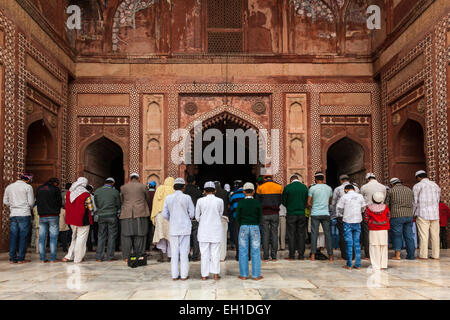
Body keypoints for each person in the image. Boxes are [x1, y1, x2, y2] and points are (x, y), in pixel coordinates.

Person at [162, 178, 195, 280]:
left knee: (174, 253)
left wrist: (172, 219)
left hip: (174, 228)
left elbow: (164, 214)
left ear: (173, 187)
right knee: (184, 253)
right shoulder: (187, 198)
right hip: (184, 228)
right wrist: (186, 218)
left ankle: (175, 276)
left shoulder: (168, 198)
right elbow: (192, 214)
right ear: (183, 187)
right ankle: (184, 275)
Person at [3, 173, 34, 264]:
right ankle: (21, 258)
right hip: (24, 213)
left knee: (13, 236)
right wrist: (24, 206)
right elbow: (31, 202)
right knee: (23, 237)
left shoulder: (9, 187)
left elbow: (5, 201)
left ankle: (12, 259)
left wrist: (13, 205)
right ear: (28, 180)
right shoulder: (28, 187)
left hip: (13, 214)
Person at [195, 181, 224, 280]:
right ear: (215, 190)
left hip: (204, 230)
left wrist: (203, 220)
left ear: (204, 191)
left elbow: (197, 217)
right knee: (215, 252)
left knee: (204, 253)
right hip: (215, 229)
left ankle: (204, 275)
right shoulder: (220, 201)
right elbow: (220, 214)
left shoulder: (200, 201)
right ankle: (216, 274)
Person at [119, 173, 150, 262]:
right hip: (140, 213)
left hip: (127, 214)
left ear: (130, 178)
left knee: (126, 236)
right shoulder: (143, 186)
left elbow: (121, 200)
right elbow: (147, 198)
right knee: (140, 235)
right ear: (138, 178)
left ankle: (126, 256)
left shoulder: (123, 187)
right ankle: (139, 255)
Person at [63, 177, 94, 264]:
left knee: (74, 237)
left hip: (72, 219)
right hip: (83, 220)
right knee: (81, 239)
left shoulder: (69, 193)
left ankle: (69, 255)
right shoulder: (86, 194)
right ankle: (78, 258)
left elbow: (67, 204)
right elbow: (91, 208)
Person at [236, 182, 263, 281]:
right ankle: (256, 275)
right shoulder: (257, 203)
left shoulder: (241, 203)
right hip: (255, 227)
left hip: (243, 227)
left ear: (243, 191)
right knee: (255, 251)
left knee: (243, 251)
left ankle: (243, 274)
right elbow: (260, 216)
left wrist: (243, 223)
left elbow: (237, 216)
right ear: (254, 191)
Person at [336, 184, 366, 270]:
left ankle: (349, 264)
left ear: (346, 190)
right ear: (354, 189)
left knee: (349, 243)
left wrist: (343, 213)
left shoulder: (344, 197)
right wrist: (359, 212)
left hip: (347, 221)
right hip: (357, 221)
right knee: (357, 243)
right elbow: (364, 207)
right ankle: (358, 264)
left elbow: (339, 208)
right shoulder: (360, 196)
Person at [413, 170, 441, 260]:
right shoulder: (435, 185)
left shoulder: (418, 186)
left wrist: (413, 213)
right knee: (435, 235)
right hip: (435, 213)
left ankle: (423, 255)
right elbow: (438, 199)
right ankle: (435, 255)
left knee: (423, 235)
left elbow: (415, 201)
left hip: (422, 214)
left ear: (418, 177)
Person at [331, 174, 360, 260]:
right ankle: (355, 255)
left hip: (343, 216)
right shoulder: (357, 189)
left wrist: (334, 215)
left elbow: (333, 203)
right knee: (355, 235)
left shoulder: (338, 189)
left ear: (341, 180)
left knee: (343, 235)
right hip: (355, 216)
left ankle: (346, 255)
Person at [385, 177, 415, 260]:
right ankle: (411, 255)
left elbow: (386, 205)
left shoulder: (391, 191)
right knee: (409, 236)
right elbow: (413, 201)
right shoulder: (409, 190)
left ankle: (397, 256)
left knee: (397, 236)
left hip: (396, 216)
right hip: (409, 216)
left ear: (392, 184)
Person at [256, 175, 283, 262]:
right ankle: (274, 256)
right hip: (275, 213)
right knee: (274, 234)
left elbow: (257, 201)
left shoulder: (260, 187)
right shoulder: (279, 187)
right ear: (272, 178)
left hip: (264, 214)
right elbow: (280, 200)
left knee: (265, 234)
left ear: (265, 179)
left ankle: (266, 256)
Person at [307, 172, 333, 262]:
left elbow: (308, 202)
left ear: (316, 179)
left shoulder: (313, 188)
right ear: (323, 179)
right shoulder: (329, 188)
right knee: (327, 234)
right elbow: (330, 201)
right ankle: (330, 256)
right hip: (325, 213)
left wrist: (313, 206)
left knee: (314, 234)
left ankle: (313, 255)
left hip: (315, 213)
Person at [282, 174, 308, 260]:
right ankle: (301, 255)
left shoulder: (288, 187)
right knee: (301, 234)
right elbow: (306, 201)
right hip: (301, 213)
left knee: (291, 234)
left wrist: (290, 206)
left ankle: (292, 255)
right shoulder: (304, 187)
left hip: (291, 214)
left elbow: (284, 201)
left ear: (291, 180)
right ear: (298, 179)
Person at [94, 177, 121, 262]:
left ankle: (99, 257)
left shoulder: (97, 191)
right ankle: (110, 256)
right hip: (112, 215)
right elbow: (118, 204)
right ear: (112, 183)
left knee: (101, 236)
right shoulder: (115, 192)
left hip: (101, 216)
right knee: (112, 236)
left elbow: (96, 203)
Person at [36, 177, 62, 263]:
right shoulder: (55, 189)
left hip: (42, 216)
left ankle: (42, 259)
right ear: (55, 183)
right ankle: (53, 258)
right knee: (53, 238)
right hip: (53, 215)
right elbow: (59, 202)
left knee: (42, 238)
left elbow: (37, 201)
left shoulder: (39, 188)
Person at [360, 173, 386, 260]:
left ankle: (368, 254)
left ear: (367, 179)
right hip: (381, 212)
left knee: (367, 233)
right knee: (381, 232)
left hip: (368, 212)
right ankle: (380, 254)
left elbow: (361, 200)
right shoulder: (383, 187)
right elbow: (383, 198)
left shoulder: (364, 187)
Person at [364, 192, 390, 271]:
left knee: (374, 246)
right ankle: (383, 265)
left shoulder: (369, 208)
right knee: (383, 246)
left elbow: (366, 218)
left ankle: (376, 265)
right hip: (384, 229)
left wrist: (371, 222)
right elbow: (388, 216)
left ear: (372, 199)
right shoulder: (386, 207)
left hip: (373, 229)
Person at [152, 177, 175, 262]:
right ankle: (170, 256)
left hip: (159, 215)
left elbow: (155, 203)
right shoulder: (173, 190)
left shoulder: (159, 189)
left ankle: (161, 256)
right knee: (170, 236)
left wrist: (154, 215)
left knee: (160, 235)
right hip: (170, 216)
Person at [184, 176, 202, 262]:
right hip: (195, 217)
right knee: (195, 237)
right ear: (194, 182)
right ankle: (195, 256)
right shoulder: (198, 191)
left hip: (185, 217)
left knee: (186, 237)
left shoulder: (184, 191)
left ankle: (186, 255)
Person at [229, 180, 246, 260]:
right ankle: (247, 255)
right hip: (246, 218)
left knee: (237, 236)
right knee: (246, 236)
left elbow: (231, 207)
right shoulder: (246, 194)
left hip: (237, 218)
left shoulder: (233, 195)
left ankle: (238, 255)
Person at [214, 181, 229, 261]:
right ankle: (222, 256)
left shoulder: (212, 194)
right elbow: (228, 204)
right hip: (223, 217)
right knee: (223, 238)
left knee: (213, 239)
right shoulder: (225, 193)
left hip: (213, 218)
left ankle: (214, 256)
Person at [59, 183, 72, 252]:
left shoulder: (61, 193)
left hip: (61, 211)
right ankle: (68, 243)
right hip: (69, 211)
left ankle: (63, 244)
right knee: (69, 228)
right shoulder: (71, 193)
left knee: (63, 229)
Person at [145, 181, 157, 253]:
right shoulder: (157, 193)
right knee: (156, 231)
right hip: (155, 214)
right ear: (155, 186)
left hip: (147, 214)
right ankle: (157, 246)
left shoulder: (146, 193)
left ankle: (147, 247)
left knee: (147, 231)